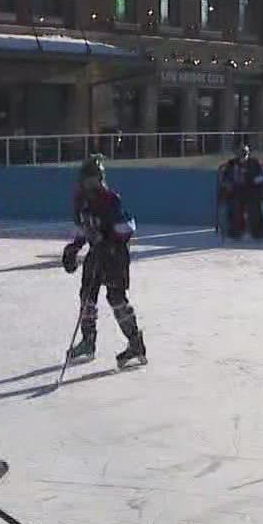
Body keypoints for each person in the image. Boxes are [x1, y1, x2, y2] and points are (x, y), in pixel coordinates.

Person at [61, 154, 148, 370]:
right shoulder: (82, 203)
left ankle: (135, 344)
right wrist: (74, 247)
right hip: (96, 253)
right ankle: (88, 341)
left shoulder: (111, 200)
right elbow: (85, 228)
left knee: (116, 297)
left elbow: (128, 226)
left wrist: (112, 240)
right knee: (86, 295)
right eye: (89, 179)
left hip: (114, 255)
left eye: (96, 179)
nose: (93, 184)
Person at [217, 144, 263, 241]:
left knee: (254, 208)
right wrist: (227, 186)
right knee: (235, 207)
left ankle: (258, 232)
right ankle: (236, 232)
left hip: (252, 190)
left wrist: (254, 182)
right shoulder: (231, 164)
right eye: (240, 155)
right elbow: (226, 178)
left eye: (245, 155)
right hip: (236, 191)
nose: (242, 158)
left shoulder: (255, 163)